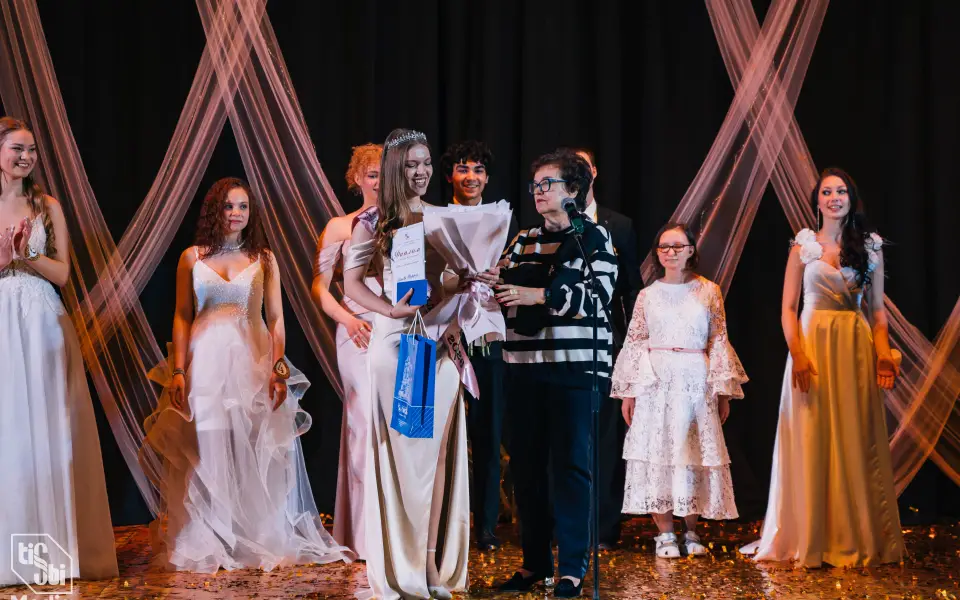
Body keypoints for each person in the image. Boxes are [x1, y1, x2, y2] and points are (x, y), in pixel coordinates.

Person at [141, 177, 351, 573]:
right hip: (205, 362)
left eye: (243, 207)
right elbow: (182, 316)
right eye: (228, 206)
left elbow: (276, 319)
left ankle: (251, 534)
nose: (236, 213)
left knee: (252, 449)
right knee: (208, 448)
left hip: (250, 361)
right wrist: (179, 370)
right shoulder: (192, 257)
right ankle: (211, 534)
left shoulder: (264, 258)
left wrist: (278, 368)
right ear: (214, 210)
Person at [740, 168, 904, 568]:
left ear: (851, 198)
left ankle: (853, 533)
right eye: (827, 192)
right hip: (812, 346)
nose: (834, 198)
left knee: (854, 435)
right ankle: (810, 533)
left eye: (841, 191)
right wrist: (798, 354)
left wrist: (883, 352)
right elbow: (788, 308)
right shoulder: (803, 246)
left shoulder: (870, 246)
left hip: (853, 346)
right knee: (811, 433)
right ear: (817, 201)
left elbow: (877, 312)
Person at [343, 129, 468, 600]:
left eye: (426, 162)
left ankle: (430, 564)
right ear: (397, 168)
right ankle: (401, 564)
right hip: (398, 344)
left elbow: (451, 280)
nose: (422, 171)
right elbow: (350, 284)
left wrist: (465, 287)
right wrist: (389, 310)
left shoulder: (444, 217)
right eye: (412, 164)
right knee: (402, 458)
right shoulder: (373, 221)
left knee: (436, 457)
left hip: (440, 343)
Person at [0, 116, 118, 585]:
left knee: (48, 431)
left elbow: (64, 274)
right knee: (9, 428)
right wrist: (4, 258)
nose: (26, 157)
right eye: (17, 148)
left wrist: (27, 254)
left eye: (31, 149)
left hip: (42, 320)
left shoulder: (47, 206)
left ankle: (50, 553)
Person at [495, 150, 617, 598]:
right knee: (526, 468)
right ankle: (534, 564)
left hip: (576, 369)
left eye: (547, 184)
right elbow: (501, 286)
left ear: (574, 190)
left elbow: (595, 297)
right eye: (535, 185)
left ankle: (571, 569)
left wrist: (534, 295)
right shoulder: (523, 239)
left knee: (570, 467)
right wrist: (489, 285)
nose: (538, 192)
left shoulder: (594, 237)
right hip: (523, 368)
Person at [611, 222, 746, 558]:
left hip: (695, 379)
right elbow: (636, 342)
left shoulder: (709, 291)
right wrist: (629, 392)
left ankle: (691, 531)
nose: (670, 252)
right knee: (658, 453)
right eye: (664, 247)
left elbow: (718, 341)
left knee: (692, 452)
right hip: (656, 381)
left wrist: (722, 391)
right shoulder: (647, 295)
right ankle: (665, 533)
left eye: (677, 246)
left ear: (690, 250)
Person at [439, 140, 518, 551]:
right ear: (449, 176)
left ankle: (485, 525)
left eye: (478, 170)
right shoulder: (433, 220)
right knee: (443, 430)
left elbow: (517, 277)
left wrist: (500, 275)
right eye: (463, 169)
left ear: (487, 178)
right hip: (445, 332)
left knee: (489, 433)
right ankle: (442, 522)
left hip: (487, 331)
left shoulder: (503, 220)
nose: (470, 177)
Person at [568, 147, 643, 549]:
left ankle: (604, 527)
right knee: (568, 435)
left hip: (607, 342)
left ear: (594, 172)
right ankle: (567, 525)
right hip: (564, 343)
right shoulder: (550, 222)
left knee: (606, 437)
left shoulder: (620, 225)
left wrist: (631, 348)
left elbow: (631, 290)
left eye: (583, 166)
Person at [312, 143, 383, 559]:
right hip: (356, 330)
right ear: (357, 179)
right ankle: (363, 536)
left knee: (393, 426)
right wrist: (348, 319)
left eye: (385, 174)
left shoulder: (405, 223)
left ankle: (392, 535)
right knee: (362, 422)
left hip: (396, 327)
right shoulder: (339, 226)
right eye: (372, 174)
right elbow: (319, 288)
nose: (379, 182)